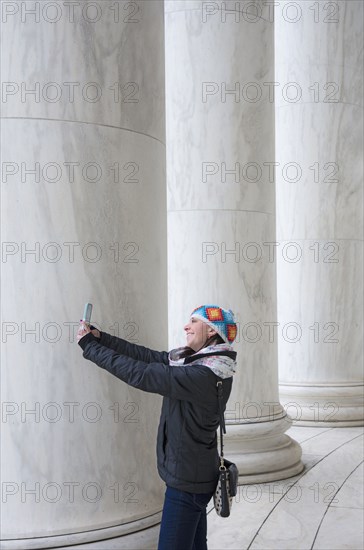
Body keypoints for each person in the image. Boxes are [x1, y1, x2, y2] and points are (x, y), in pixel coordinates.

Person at [77, 304, 237, 550]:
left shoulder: (202, 375)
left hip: (187, 482)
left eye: (194, 322)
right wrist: (102, 339)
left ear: (212, 332)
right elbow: (151, 357)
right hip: (194, 473)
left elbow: (143, 374)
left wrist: (90, 348)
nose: (186, 326)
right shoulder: (197, 363)